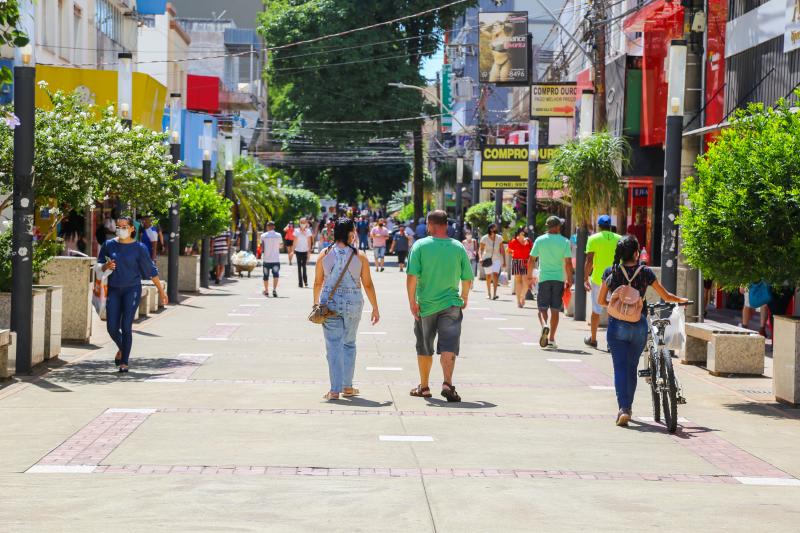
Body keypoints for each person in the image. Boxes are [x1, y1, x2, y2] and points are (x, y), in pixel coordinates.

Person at [597, 235, 687, 426]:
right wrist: (682, 301)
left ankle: (624, 408)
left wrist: (614, 306)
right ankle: (628, 406)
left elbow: (600, 301)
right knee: (631, 367)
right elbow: (666, 295)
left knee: (620, 368)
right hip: (638, 325)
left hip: (616, 326)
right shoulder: (645, 272)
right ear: (637, 253)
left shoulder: (610, 271)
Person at [406, 210, 474, 402]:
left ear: (430, 224)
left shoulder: (420, 245)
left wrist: (412, 302)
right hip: (452, 304)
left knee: (424, 346)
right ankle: (447, 383)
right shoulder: (458, 247)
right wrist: (465, 296)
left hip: (425, 305)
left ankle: (425, 387)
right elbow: (467, 277)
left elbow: (412, 277)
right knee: (449, 345)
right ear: (446, 225)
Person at [313, 218, 380, 400]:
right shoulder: (360, 256)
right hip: (353, 304)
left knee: (333, 347)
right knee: (349, 344)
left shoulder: (324, 254)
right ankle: (348, 386)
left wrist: (315, 304)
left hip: (330, 305)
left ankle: (334, 390)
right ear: (351, 233)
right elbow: (367, 284)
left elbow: (318, 282)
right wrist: (375, 307)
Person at [98, 216, 168, 373]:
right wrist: (105, 266)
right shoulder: (109, 245)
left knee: (126, 326)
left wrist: (162, 292)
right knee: (111, 328)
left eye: (124, 227)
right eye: (118, 226)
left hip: (132, 290)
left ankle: (124, 362)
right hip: (114, 289)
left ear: (132, 229)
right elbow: (98, 265)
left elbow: (151, 271)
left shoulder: (140, 248)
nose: (121, 229)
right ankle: (122, 348)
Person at [528, 216, 573, 349]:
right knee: (555, 309)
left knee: (542, 307)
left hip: (544, 278)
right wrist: (569, 279)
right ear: (558, 227)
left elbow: (531, 260)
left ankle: (544, 325)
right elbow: (568, 263)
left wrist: (529, 277)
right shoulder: (564, 241)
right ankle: (552, 338)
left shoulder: (540, 240)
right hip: (559, 279)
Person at [584, 215, 621, 348]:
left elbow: (589, 260)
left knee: (596, 310)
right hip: (616, 280)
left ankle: (593, 339)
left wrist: (585, 278)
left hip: (598, 280)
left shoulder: (593, 238)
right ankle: (612, 343)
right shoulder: (619, 239)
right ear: (610, 225)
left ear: (599, 226)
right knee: (614, 311)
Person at [507, 228, 533, 308]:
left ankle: (523, 296)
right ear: (518, 234)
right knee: (518, 281)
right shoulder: (514, 241)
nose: (524, 235)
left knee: (526, 282)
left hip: (526, 262)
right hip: (517, 261)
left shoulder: (528, 241)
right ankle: (518, 301)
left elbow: (532, 252)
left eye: (524, 233)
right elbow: (508, 250)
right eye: (522, 233)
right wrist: (513, 253)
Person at [479, 223, 505, 300]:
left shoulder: (499, 238)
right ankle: (488, 293)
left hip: (497, 258)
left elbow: (502, 249)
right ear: (490, 229)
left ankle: (494, 294)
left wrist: (504, 261)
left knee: (496, 275)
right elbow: (480, 249)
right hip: (487, 258)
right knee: (488, 276)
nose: (496, 229)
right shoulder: (484, 238)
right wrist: (480, 258)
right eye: (495, 228)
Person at [259, 222, 283, 297]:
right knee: (276, 275)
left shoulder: (263, 236)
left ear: (267, 227)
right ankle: (274, 290)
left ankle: (266, 291)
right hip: (276, 259)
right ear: (274, 227)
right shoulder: (278, 235)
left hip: (266, 259)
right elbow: (281, 246)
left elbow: (261, 246)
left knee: (265, 276)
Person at [293, 217, 314, 288]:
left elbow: (309, 242)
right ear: (299, 223)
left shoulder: (308, 231)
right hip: (298, 250)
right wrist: (292, 250)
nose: (303, 224)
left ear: (306, 223)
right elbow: (295, 241)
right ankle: (300, 283)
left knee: (304, 266)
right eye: (301, 223)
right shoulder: (296, 231)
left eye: (304, 223)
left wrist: (309, 252)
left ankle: (305, 281)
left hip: (305, 251)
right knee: (299, 267)